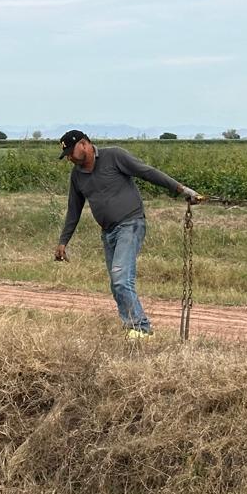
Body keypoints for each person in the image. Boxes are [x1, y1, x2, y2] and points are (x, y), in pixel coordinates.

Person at [53, 129, 203, 339]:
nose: (69, 157)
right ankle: (131, 328)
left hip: (130, 224)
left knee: (122, 279)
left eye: (71, 152)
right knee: (116, 284)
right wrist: (63, 241)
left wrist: (182, 190)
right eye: (66, 154)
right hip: (108, 232)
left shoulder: (114, 156)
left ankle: (142, 329)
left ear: (84, 144)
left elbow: (147, 172)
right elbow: (74, 210)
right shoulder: (77, 176)